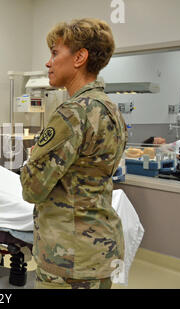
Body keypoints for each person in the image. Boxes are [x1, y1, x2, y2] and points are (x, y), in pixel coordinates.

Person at [20, 18, 128, 289]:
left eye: (55, 53)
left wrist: (33, 158)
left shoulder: (72, 113)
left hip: (68, 258)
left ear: (79, 57)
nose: (48, 62)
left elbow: (32, 190)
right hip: (102, 251)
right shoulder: (111, 110)